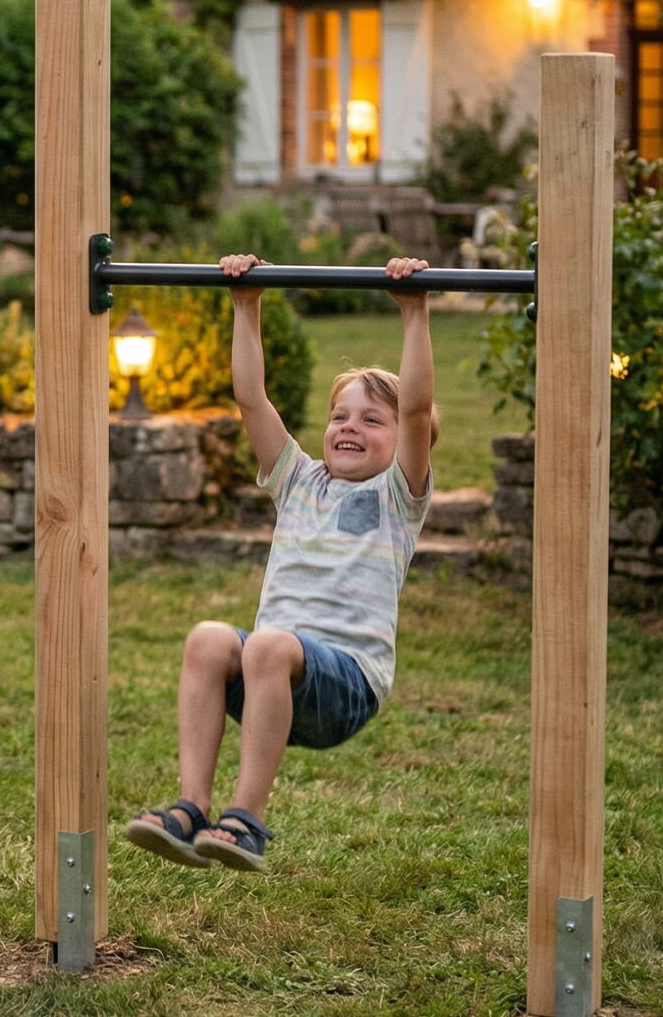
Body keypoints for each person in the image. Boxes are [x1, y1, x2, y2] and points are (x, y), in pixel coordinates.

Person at [120, 253, 437, 872]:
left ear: (404, 441)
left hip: (346, 683)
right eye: (340, 416)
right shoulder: (298, 481)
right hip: (277, 678)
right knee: (210, 639)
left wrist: (415, 314)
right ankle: (189, 808)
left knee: (266, 645)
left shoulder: (397, 495)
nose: (350, 426)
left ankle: (248, 822)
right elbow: (251, 397)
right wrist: (247, 304)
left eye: (373, 420)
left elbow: (420, 407)